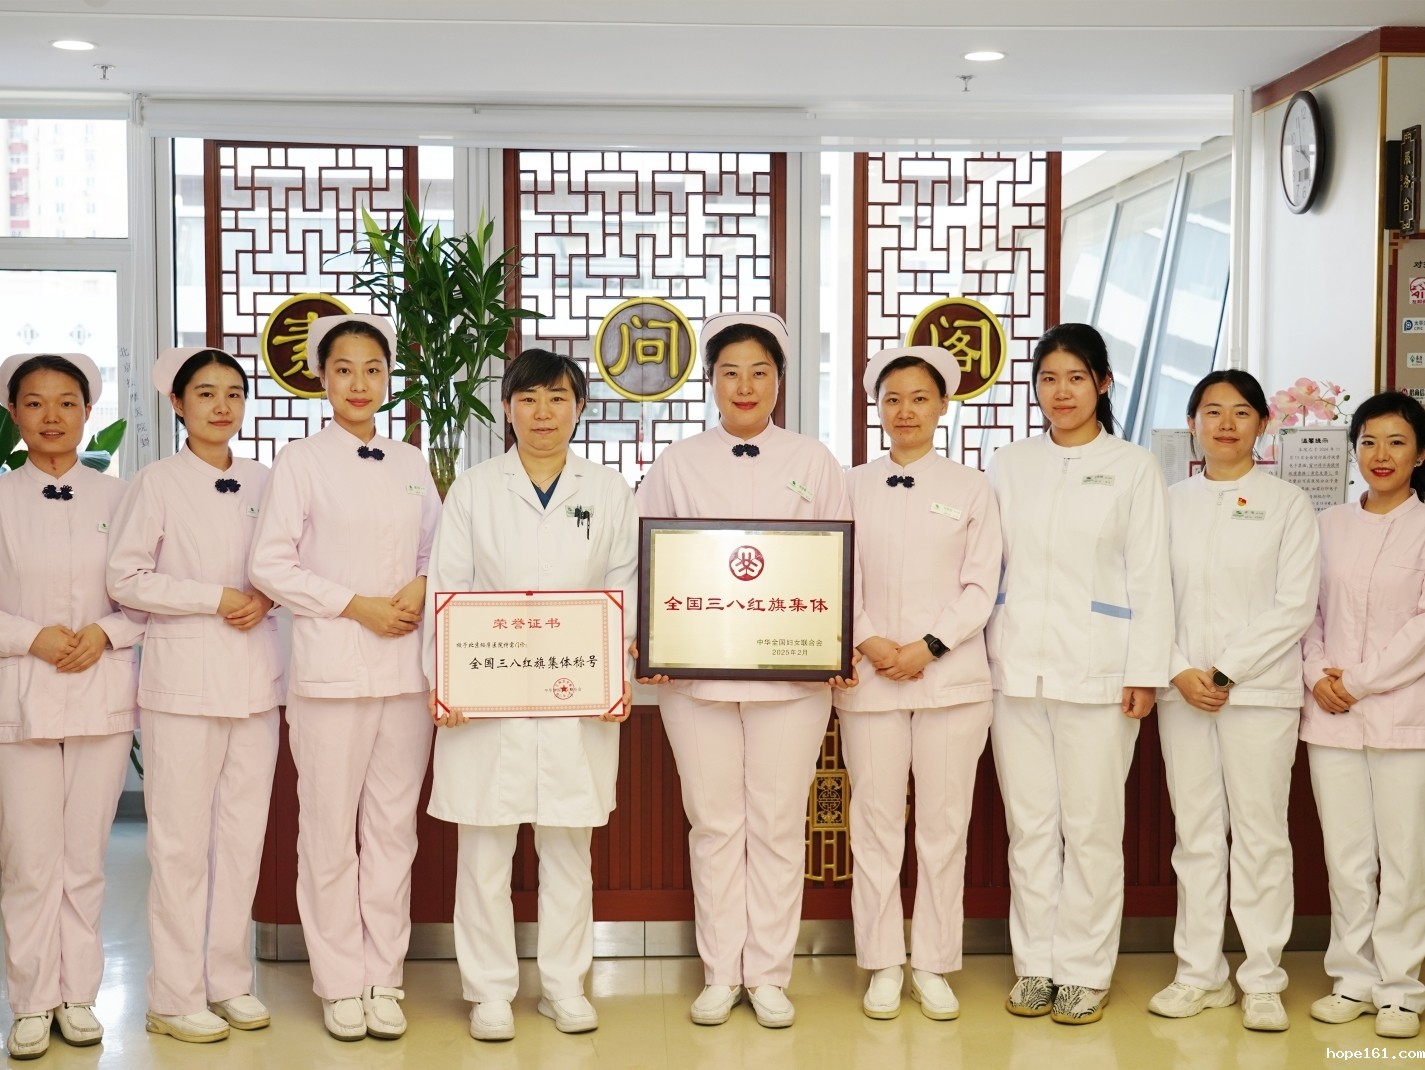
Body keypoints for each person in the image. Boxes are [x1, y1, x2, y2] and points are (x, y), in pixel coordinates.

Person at [635, 310, 853, 1029]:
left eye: (759, 372)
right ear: (710, 381)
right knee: (714, 822)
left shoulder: (814, 461)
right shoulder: (677, 462)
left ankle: (767, 974)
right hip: (695, 680)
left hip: (792, 680)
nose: (745, 385)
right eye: (729, 372)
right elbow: (645, 559)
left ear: (779, 380)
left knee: (778, 822)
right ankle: (719, 972)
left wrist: (837, 644)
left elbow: (840, 560)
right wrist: (650, 642)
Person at [424, 348, 637, 1042]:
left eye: (557, 398)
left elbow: (625, 590)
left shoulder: (609, 491)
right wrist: (445, 679)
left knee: (568, 849)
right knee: (484, 851)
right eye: (528, 399)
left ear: (579, 408)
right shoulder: (474, 489)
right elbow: (447, 586)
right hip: (486, 696)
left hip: (576, 692)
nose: (543, 413)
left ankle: (565, 986)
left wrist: (614, 678)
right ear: (507, 409)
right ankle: (488, 992)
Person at [248, 314, 440, 1042]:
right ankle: (338, 982)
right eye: (344, 369)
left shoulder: (411, 461)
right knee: (328, 832)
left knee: (393, 830)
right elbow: (270, 563)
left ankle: (384, 977)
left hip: (404, 675)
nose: (359, 383)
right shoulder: (300, 461)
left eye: (373, 369)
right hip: (330, 673)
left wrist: (418, 589)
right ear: (322, 379)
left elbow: (439, 549)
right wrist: (357, 605)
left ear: (388, 379)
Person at [986, 322, 1172, 1026]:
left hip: (1100, 669)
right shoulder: (1008, 463)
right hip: (1014, 670)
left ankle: (1086, 970)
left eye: (1074, 378)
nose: (1059, 392)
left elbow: (1150, 573)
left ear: (1102, 383)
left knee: (1091, 828)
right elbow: (988, 563)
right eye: (1047, 379)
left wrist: (1145, 669)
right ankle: (1035, 965)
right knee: (1029, 826)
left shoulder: (1132, 466)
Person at [106, 347, 283, 1044]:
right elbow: (127, 579)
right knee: (179, 845)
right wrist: (214, 597)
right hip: (181, 687)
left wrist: (265, 595)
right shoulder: (155, 482)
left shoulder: (266, 479)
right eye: (205, 393)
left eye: (233, 393)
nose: (221, 405)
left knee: (240, 840)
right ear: (177, 404)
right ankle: (174, 994)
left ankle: (228, 980)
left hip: (255, 684)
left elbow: (286, 564)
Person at [1148, 369, 1318, 1032]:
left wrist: (1225, 671)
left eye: (1240, 412)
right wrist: (1177, 670)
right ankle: (1199, 974)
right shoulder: (1167, 502)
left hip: (1258, 694)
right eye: (1211, 411)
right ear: (1192, 422)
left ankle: (1263, 977)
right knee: (1194, 836)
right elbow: (1147, 595)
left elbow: (1294, 604)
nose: (1225, 423)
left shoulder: (1287, 504)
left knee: (1260, 835)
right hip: (1182, 692)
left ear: (1262, 425)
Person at [835, 346, 1000, 1022]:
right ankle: (880, 961)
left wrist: (928, 647)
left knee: (943, 828)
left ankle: (932, 963)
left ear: (942, 406)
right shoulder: (847, 484)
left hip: (951, 680)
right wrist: (871, 641)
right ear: (876, 408)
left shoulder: (971, 488)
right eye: (892, 399)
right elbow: (834, 572)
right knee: (874, 826)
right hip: (870, 679)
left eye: (919, 398)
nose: (904, 411)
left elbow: (981, 585)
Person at [0, 351, 145, 1060]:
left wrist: (106, 632)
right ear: (13, 414)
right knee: (29, 859)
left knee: (85, 856)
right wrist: (30, 637)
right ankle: (31, 1001)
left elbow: (148, 593)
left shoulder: (122, 500)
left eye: (66, 403)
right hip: (20, 698)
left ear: (89, 412)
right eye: (35, 403)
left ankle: (78, 995)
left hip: (100, 693)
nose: (51, 416)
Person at [1302, 390, 1425, 1042]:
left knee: (1404, 858)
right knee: (1347, 856)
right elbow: (1306, 611)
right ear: (1353, 450)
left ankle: (1400, 988)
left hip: (1405, 716)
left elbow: (1420, 629)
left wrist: (1356, 681)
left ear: (1419, 454)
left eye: (1396, 442)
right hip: (1330, 717)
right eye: (1369, 441)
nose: (1381, 454)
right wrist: (1316, 675)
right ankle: (1352, 977)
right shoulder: (1327, 525)